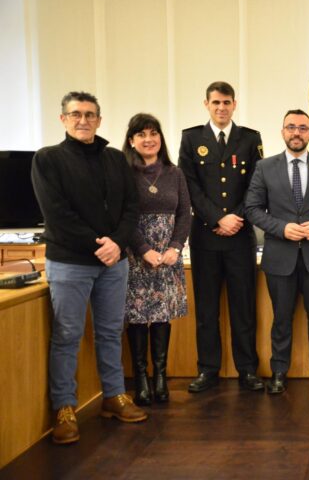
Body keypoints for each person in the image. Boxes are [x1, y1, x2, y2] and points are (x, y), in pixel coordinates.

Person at [31, 91, 147, 445]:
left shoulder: (115, 158)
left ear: (99, 119)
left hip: (114, 262)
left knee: (110, 331)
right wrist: (102, 245)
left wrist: (117, 243)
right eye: (76, 114)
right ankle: (64, 408)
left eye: (90, 114)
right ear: (63, 119)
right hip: (70, 262)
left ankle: (113, 396)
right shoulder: (48, 159)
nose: (83, 120)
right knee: (67, 335)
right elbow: (57, 213)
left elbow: (131, 207)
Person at [244, 109, 309, 394]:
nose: (296, 133)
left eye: (302, 128)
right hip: (279, 257)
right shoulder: (265, 167)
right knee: (281, 319)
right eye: (291, 127)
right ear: (282, 132)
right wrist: (281, 228)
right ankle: (279, 372)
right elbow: (252, 208)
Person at [178, 81, 265, 393]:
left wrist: (234, 219)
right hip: (205, 236)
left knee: (244, 308)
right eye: (215, 102)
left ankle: (248, 370)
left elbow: (256, 185)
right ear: (206, 104)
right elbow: (189, 186)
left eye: (226, 102)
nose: (221, 108)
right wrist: (217, 218)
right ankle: (208, 370)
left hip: (240, 237)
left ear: (234, 104)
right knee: (207, 310)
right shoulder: (191, 138)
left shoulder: (250, 138)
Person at [121, 113, 191, 405]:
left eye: (153, 133)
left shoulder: (175, 173)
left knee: (162, 315)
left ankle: (160, 377)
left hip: (168, 256)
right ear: (131, 141)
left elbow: (184, 213)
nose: (148, 139)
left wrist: (175, 247)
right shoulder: (124, 174)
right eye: (141, 134)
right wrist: (143, 249)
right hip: (136, 254)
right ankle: (141, 379)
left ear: (160, 138)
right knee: (138, 316)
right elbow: (122, 216)